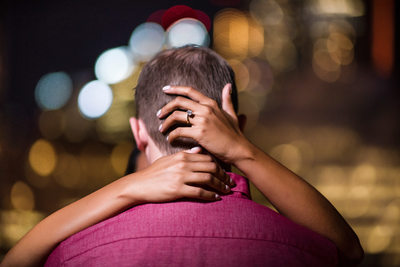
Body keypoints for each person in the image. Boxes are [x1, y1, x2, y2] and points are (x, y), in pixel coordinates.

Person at [1, 46, 363, 267]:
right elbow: (349, 251)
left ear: (138, 132)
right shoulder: (304, 250)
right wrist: (242, 149)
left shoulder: (74, 255)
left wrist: (129, 186)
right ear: (238, 124)